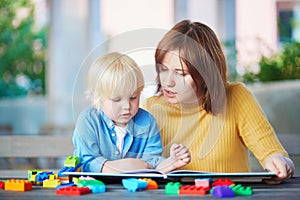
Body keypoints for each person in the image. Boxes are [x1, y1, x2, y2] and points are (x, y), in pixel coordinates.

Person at [142, 20, 295, 184]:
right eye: (163, 69)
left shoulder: (236, 97)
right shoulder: (151, 108)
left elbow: (272, 152)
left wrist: (280, 163)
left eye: (181, 73)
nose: (168, 82)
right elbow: (137, 169)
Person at [72, 52, 191, 173]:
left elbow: (151, 163)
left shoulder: (147, 121)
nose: (127, 106)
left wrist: (169, 162)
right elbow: (87, 162)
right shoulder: (88, 121)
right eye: (117, 99)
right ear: (97, 97)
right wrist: (125, 166)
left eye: (133, 97)